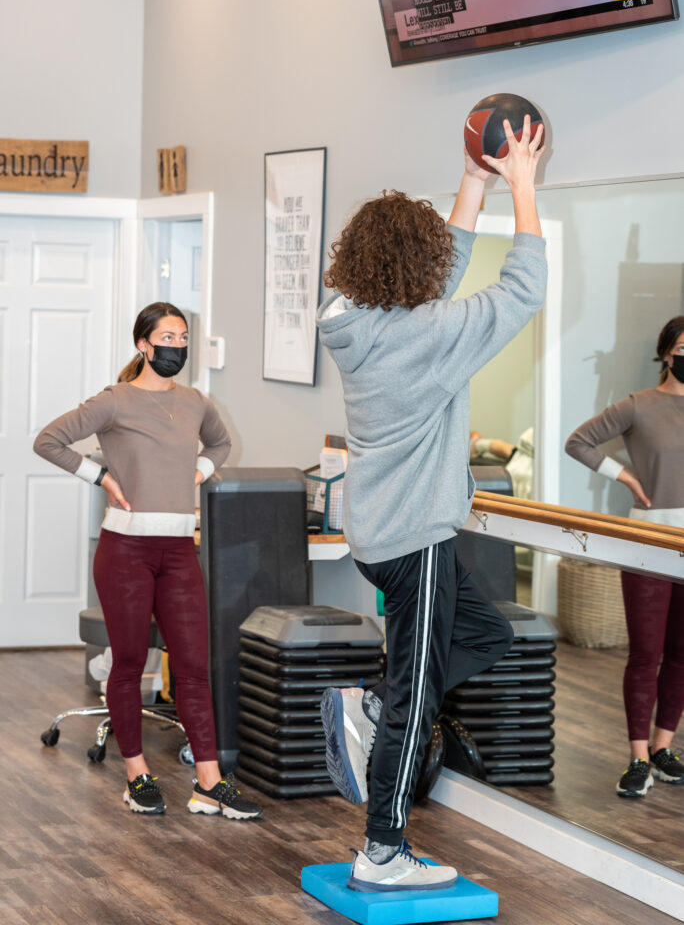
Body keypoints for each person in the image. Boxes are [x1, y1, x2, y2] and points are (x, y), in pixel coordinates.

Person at [316, 116, 547, 891]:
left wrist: (475, 180)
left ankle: (379, 705)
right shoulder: (430, 334)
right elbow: (523, 289)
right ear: (415, 266)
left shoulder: (353, 320)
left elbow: (434, 283)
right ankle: (382, 849)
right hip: (413, 538)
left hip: (382, 533)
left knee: (483, 632)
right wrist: (521, 187)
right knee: (416, 701)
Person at [34, 302, 263, 821]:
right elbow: (48, 440)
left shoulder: (195, 402)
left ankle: (209, 783)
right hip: (126, 553)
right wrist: (101, 478)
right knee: (131, 662)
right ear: (143, 344)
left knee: (193, 668)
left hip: (180, 550)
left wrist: (201, 471)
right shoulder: (114, 401)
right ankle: (137, 774)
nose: (176, 346)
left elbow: (221, 443)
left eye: (183, 338)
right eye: (166, 337)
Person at [565, 316, 684, 798]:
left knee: (682, 654)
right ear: (665, 353)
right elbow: (579, 441)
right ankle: (637, 758)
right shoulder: (639, 406)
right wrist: (627, 478)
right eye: (682, 345)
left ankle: (663, 747)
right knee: (645, 652)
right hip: (649, 541)